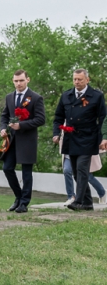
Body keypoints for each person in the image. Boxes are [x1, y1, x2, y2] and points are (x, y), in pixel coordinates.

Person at [53, 69, 107, 210]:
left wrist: (104, 138)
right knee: (76, 173)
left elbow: (103, 118)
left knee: (82, 169)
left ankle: (78, 201)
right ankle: (88, 203)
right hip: (70, 139)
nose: (77, 82)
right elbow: (58, 117)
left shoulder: (96, 96)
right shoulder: (66, 96)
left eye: (80, 79)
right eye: (75, 79)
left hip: (88, 138)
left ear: (87, 80)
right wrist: (56, 133)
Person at [0, 69, 45, 213]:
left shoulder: (35, 98)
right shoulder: (9, 97)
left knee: (26, 173)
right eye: (16, 81)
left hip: (27, 140)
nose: (18, 83)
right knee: (7, 168)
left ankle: (24, 203)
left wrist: (21, 125)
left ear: (27, 80)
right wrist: (2, 128)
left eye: (21, 81)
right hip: (12, 139)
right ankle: (18, 197)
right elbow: (4, 115)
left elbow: (40, 119)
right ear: (13, 81)